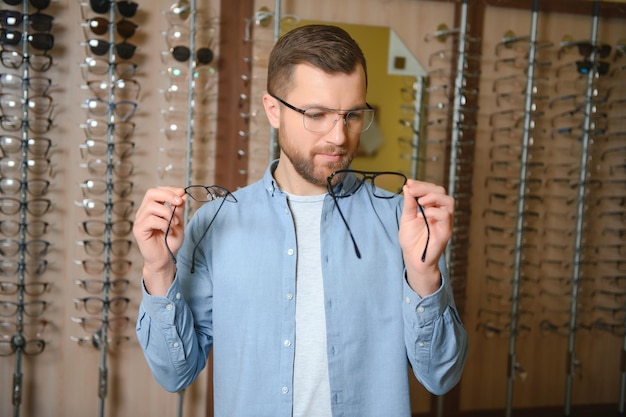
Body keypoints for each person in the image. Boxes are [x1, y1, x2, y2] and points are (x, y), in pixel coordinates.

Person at [134, 24, 468, 417]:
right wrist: (158, 270)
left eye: (352, 115)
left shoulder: (404, 223)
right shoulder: (215, 223)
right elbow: (176, 373)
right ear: (273, 110)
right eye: (317, 114)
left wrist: (425, 276)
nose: (339, 136)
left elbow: (441, 376)